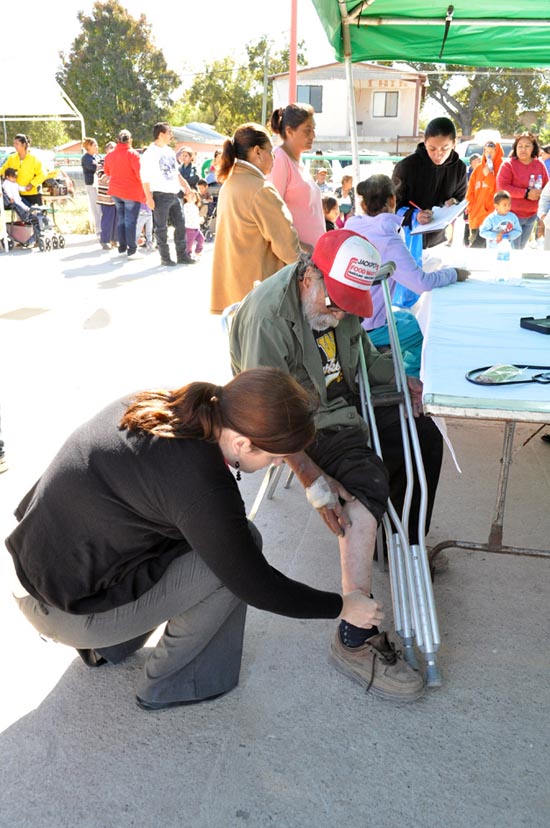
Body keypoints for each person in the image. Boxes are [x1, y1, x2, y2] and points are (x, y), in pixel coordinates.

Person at [5, 368, 385, 711]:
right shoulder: (201, 486)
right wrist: (342, 606)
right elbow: (257, 585)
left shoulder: (172, 407)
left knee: (216, 541)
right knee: (240, 551)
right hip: (63, 608)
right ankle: (174, 681)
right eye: (275, 457)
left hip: (40, 569)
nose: (275, 464)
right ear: (241, 444)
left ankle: (110, 647)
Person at [230, 229, 445, 703]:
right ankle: (354, 635)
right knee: (361, 486)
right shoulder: (270, 318)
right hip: (302, 423)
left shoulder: (338, 300)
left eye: (350, 305)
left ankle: (400, 544)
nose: (341, 313)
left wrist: (409, 381)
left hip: (348, 404)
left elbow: (364, 362)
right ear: (310, 275)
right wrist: (312, 479)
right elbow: (263, 416)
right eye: (335, 302)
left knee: (425, 438)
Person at [346, 175, 469, 377]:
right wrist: (453, 273)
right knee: (425, 334)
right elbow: (421, 283)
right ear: (392, 201)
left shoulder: (352, 227)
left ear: (363, 203)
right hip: (367, 328)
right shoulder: (387, 238)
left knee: (408, 317)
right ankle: (410, 384)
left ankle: (395, 375)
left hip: (347, 321)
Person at [210, 122, 301, 314]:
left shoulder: (231, 183)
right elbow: (288, 248)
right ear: (257, 152)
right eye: (272, 152)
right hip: (260, 294)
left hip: (234, 290)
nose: (274, 158)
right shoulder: (260, 189)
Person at [392, 117, 467, 249]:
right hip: (407, 241)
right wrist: (414, 216)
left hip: (439, 241)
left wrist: (454, 202)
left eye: (445, 148)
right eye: (432, 148)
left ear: (454, 143)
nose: (438, 154)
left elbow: (461, 200)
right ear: (424, 142)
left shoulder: (459, 168)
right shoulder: (406, 167)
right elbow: (391, 206)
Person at [269, 104, 325, 249]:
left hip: (310, 257)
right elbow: (272, 216)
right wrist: (301, 247)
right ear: (289, 131)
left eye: (313, 130)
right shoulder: (280, 159)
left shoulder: (297, 160)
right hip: (298, 260)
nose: (313, 135)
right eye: (307, 130)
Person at [139, 122, 195, 267]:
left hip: (174, 194)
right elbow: (144, 177)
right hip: (159, 194)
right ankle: (165, 257)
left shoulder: (170, 152)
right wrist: (148, 197)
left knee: (181, 225)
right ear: (161, 134)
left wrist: (185, 185)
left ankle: (182, 255)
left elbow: (175, 173)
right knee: (161, 228)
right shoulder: (150, 153)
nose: (171, 136)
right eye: (169, 132)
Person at [496, 132, 549, 249]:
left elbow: (547, 186)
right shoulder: (508, 165)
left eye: (527, 146)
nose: (523, 149)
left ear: (534, 148)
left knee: (520, 249)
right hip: (511, 215)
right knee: (512, 251)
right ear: (515, 147)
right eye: (520, 146)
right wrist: (526, 193)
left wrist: (541, 194)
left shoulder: (539, 164)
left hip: (531, 216)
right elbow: (502, 187)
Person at [103, 129, 146, 258]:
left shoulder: (110, 155)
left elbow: (107, 171)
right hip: (131, 192)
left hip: (115, 191)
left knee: (121, 219)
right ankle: (132, 249)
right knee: (131, 221)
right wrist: (145, 191)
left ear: (117, 140)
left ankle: (122, 247)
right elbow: (139, 174)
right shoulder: (133, 154)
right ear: (130, 140)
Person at [466, 141, 504, 248]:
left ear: (497, 152)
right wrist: (470, 207)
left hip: (493, 215)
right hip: (477, 214)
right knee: (477, 243)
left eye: (492, 151)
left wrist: (489, 176)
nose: (489, 154)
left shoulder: (502, 168)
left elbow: (500, 190)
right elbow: (471, 190)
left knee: (480, 246)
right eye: (486, 151)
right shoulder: (478, 169)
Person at [0, 134, 46, 206]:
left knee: (34, 215)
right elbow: (3, 169)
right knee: (20, 216)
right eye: (14, 143)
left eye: (17, 144)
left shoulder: (34, 159)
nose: (14, 146)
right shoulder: (12, 158)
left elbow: (42, 174)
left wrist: (32, 184)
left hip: (32, 194)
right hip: (17, 194)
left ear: (24, 144)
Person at [96, 141, 118, 250]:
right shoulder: (101, 161)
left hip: (117, 195)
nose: (114, 149)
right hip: (106, 196)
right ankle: (104, 240)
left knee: (117, 219)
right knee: (107, 218)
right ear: (106, 150)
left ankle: (114, 239)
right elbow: (101, 175)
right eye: (111, 147)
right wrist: (115, 181)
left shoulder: (118, 160)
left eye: (115, 147)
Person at [81, 137, 101, 237]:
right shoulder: (86, 158)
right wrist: (98, 165)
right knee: (96, 208)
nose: (96, 147)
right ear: (88, 147)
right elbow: (95, 168)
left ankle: (102, 229)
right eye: (94, 145)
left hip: (99, 185)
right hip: (92, 185)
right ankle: (99, 231)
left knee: (101, 208)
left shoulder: (96, 157)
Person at [183, 190, 204, 257]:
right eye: (190, 196)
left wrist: (199, 219)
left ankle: (198, 251)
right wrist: (199, 219)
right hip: (190, 228)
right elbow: (192, 216)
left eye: (194, 196)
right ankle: (187, 254)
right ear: (186, 197)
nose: (192, 197)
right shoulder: (187, 206)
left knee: (201, 239)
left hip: (196, 228)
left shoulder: (195, 207)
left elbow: (195, 216)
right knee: (189, 243)